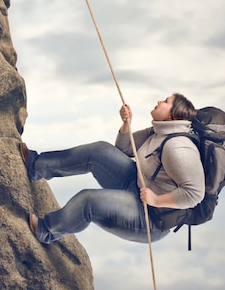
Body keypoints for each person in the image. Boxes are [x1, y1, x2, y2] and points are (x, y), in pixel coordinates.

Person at [20, 93, 205, 244]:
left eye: (166, 102)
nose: (159, 101)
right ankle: (36, 166)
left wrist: (156, 200)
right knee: (98, 150)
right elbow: (124, 149)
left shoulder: (179, 148)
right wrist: (126, 123)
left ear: (174, 115)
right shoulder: (158, 131)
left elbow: (195, 194)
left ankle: (46, 230)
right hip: (136, 185)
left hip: (150, 216)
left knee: (88, 200)